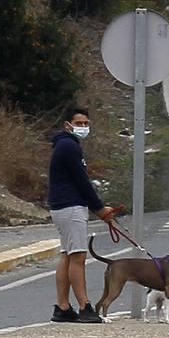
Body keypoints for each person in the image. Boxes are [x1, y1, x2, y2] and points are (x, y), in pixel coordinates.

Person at [48, 106, 114, 323]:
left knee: (67, 255)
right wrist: (100, 208)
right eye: (79, 123)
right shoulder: (68, 146)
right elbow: (81, 181)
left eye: (86, 124)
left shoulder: (64, 144)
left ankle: (63, 306)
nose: (83, 127)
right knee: (78, 257)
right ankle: (85, 307)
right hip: (71, 207)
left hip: (61, 206)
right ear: (68, 125)